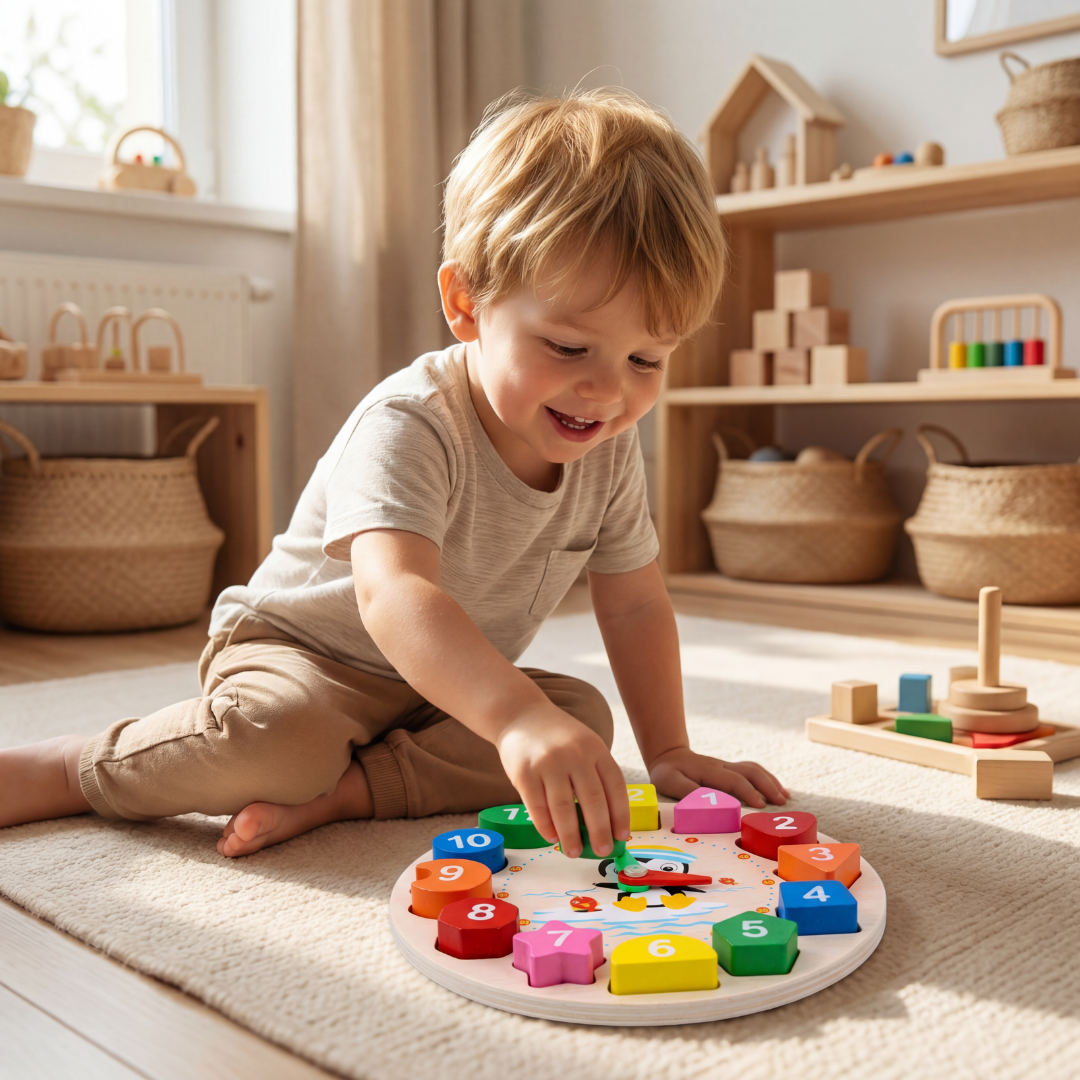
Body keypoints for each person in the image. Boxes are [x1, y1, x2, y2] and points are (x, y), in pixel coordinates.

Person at [0, 88, 787, 859]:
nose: (608, 391)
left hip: (433, 685)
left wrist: (669, 749)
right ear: (467, 302)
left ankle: (342, 795)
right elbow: (395, 595)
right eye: (569, 348)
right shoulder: (412, 419)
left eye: (646, 359)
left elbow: (636, 605)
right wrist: (513, 718)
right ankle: (71, 768)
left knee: (580, 720)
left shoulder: (607, 448)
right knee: (286, 736)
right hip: (302, 660)